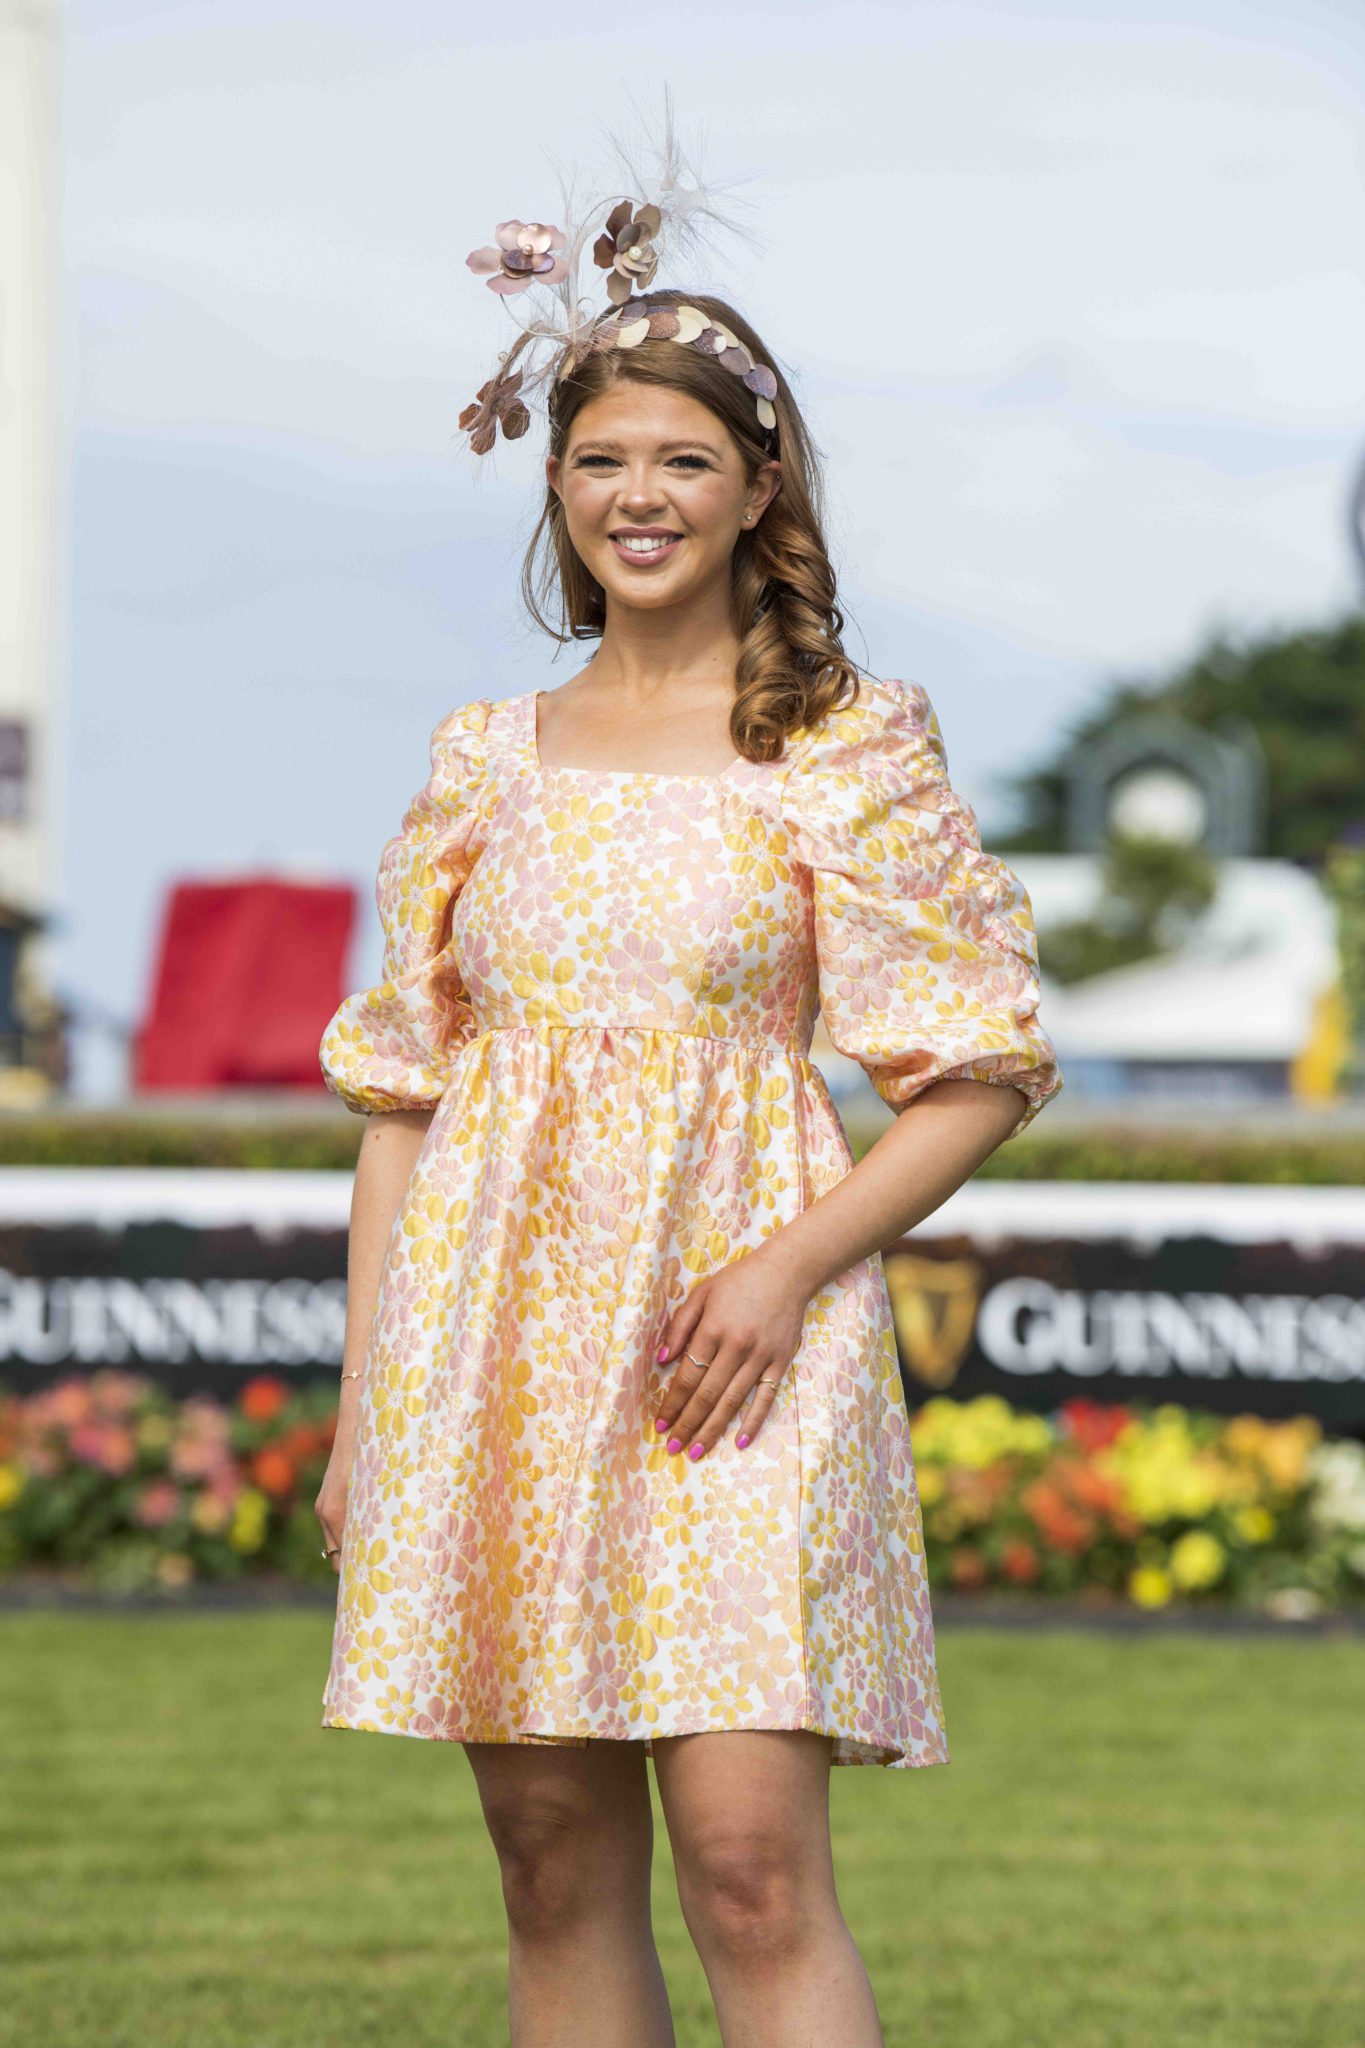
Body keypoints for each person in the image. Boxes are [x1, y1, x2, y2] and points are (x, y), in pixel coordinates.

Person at [313, 136, 1062, 2048]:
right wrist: (368, 1398)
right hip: (489, 1354)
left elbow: (976, 1070)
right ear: (556, 490)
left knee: (746, 1867)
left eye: (682, 460)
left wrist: (777, 1273)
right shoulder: (485, 757)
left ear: (756, 490)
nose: (638, 496)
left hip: (738, 1353)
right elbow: (403, 1097)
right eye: (601, 461)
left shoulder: (839, 743)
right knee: (552, 1872)